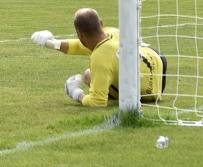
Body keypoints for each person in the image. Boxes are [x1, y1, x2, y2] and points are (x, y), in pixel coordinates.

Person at [31, 7, 167, 109]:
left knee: (88, 75)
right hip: (158, 61)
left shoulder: (100, 57)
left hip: (147, 93)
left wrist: (75, 92)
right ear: (101, 23)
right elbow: (81, 45)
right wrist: (53, 44)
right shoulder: (113, 32)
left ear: (79, 33)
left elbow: (97, 102)